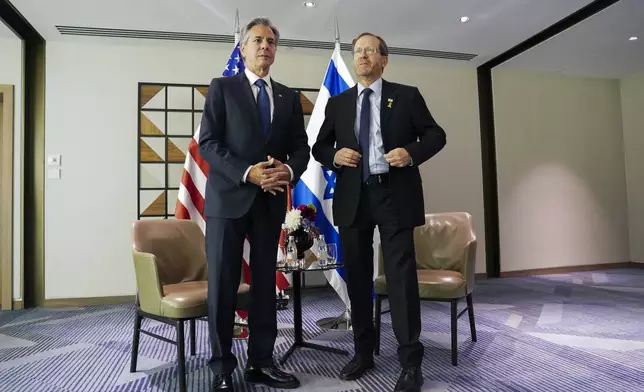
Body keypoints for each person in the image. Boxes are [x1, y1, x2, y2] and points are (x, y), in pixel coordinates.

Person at [312, 32, 446, 392]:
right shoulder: (339, 103)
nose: (363, 57)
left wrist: (411, 153)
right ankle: (363, 351)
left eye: (370, 51)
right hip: (354, 198)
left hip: (394, 195)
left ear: (384, 60)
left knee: (401, 280)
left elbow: (436, 135)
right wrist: (334, 155)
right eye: (358, 52)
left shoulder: (407, 96)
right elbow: (319, 147)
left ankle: (410, 361)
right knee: (357, 278)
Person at [198, 17, 310, 391]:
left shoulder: (288, 97)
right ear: (243, 48)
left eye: (271, 42)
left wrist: (288, 170)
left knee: (265, 286)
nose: (265, 46)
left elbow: (301, 148)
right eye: (258, 40)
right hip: (228, 199)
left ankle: (261, 362)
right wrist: (248, 173)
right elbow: (209, 143)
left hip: (270, 202)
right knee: (223, 285)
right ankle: (221, 368)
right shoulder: (222, 87)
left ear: (276, 51)